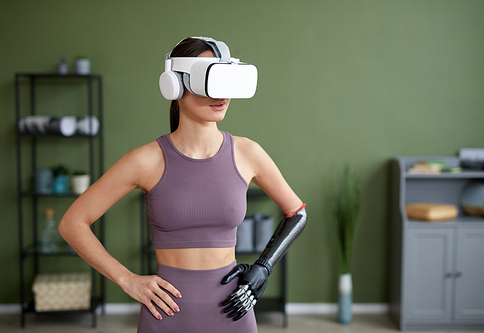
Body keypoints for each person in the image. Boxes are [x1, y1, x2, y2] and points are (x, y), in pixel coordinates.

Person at [58, 37, 307, 333]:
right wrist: (127, 279)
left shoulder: (247, 153)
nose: (221, 93)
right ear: (174, 85)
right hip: (166, 313)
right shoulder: (146, 160)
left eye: (224, 79)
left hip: (234, 312)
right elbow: (72, 222)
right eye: (207, 79)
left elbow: (298, 212)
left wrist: (263, 267)